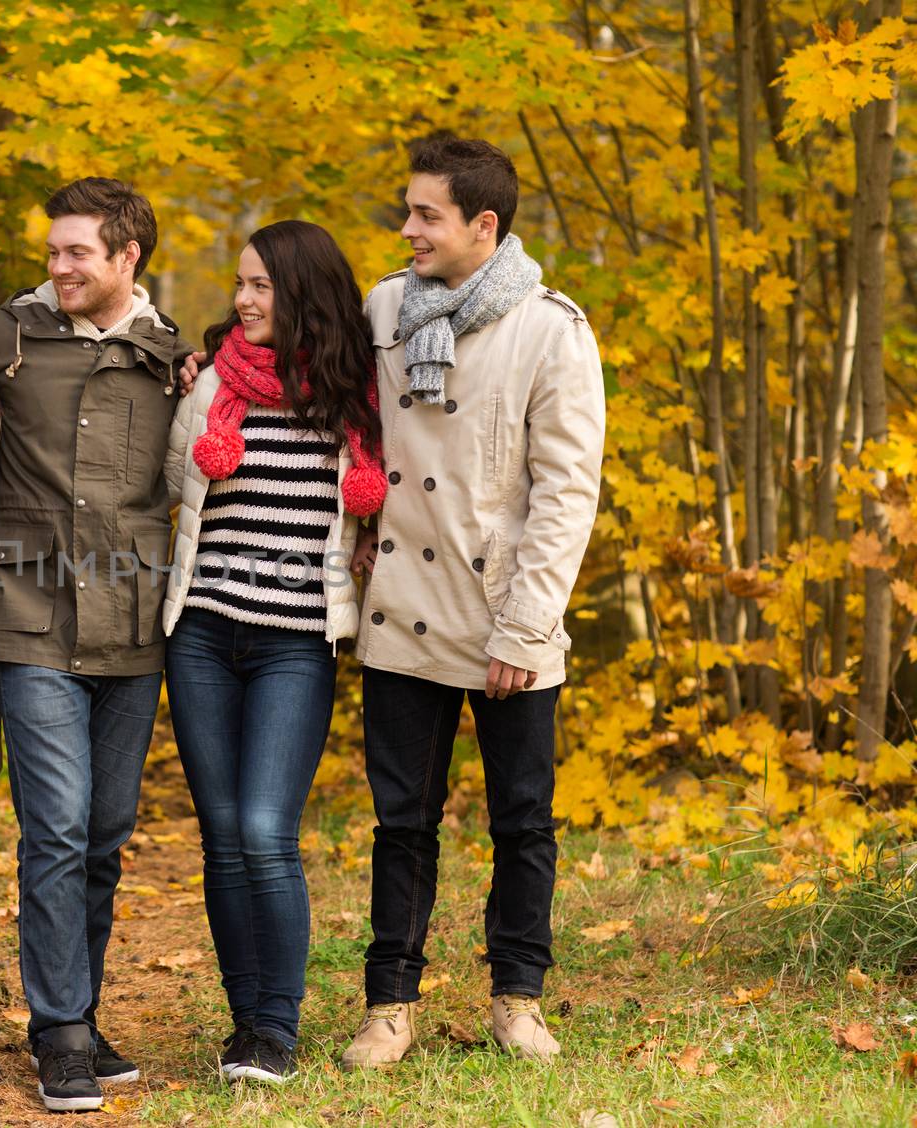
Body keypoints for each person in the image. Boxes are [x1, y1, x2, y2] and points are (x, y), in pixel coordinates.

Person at [339, 134, 605, 1068]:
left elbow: (565, 493)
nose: (405, 228)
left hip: (505, 615)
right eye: (407, 210)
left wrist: (526, 626)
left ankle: (517, 997)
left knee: (521, 818)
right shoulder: (382, 307)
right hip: (405, 604)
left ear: (482, 225)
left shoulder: (551, 329)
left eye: (425, 215)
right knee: (401, 821)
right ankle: (389, 1005)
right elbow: (334, 403)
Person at [0, 178, 196, 1113]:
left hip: (134, 627)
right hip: (30, 616)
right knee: (54, 830)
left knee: (104, 836)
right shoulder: (1, 337)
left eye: (77, 254)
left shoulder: (168, 353)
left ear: (126, 259)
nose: (58, 267)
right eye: (52, 251)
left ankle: (82, 1014)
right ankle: (59, 1032)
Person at [162, 220, 384, 1084]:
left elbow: (388, 497)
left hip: (296, 641)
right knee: (222, 837)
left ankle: (279, 1031)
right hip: (205, 632)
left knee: (264, 831)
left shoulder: (357, 397)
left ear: (304, 294)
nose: (244, 300)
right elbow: (169, 483)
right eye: (240, 284)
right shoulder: (212, 382)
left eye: (262, 286)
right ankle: (247, 1025)